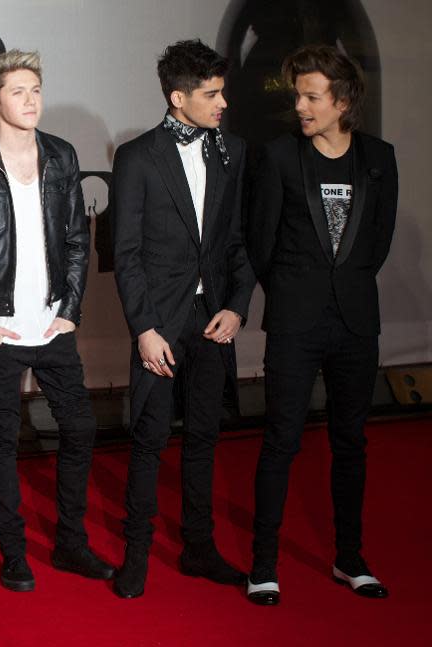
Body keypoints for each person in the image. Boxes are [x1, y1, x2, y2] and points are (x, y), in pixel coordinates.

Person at [246, 44, 397, 605]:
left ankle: (350, 558)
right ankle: (263, 563)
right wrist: (297, 293)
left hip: (356, 324)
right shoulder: (281, 157)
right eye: (299, 96)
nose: (302, 107)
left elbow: (375, 246)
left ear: (343, 100)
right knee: (281, 441)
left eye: (312, 97)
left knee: (350, 443)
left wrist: (341, 289)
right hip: (295, 323)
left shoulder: (380, 158)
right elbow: (261, 244)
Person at [0, 50, 115, 592]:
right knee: (3, 442)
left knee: (80, 429)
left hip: (52, 325)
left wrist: (69, 311)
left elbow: (78, 238)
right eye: (18, 91)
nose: (31, 101)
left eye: (36, 90)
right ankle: (13, 553)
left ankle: (71, 543)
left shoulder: (61, 154)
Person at [111, 39, 255, 598]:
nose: (223, 103)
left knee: (204, 438)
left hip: (213, 320)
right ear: (178, 97)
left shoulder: (233, 151)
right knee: (149, 441)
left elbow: (237, 242)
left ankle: (198, 548)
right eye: (212, 94)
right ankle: (136, 555)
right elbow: (125, 254)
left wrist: (238, 306)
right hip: (159, 324)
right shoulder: (138, 156)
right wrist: (144, 329)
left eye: (222, 91)